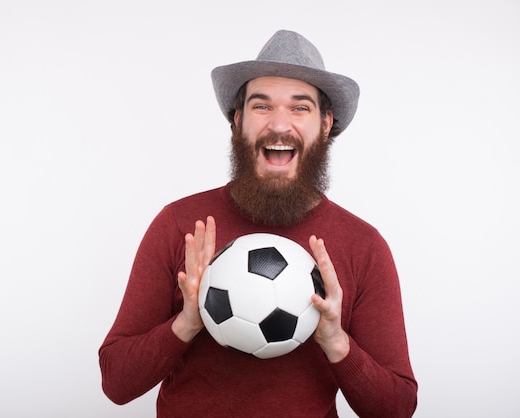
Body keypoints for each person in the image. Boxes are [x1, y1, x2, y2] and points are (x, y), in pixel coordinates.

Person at [99, 30, 417, 417]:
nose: (279, 125)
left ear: (325, 123)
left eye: (300, 108)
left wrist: (336, 342)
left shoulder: (362, 246)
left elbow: (397, 408)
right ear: (238, 121)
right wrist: (186, 323)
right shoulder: (181, 225)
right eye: (261, 107)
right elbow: (116, 383)